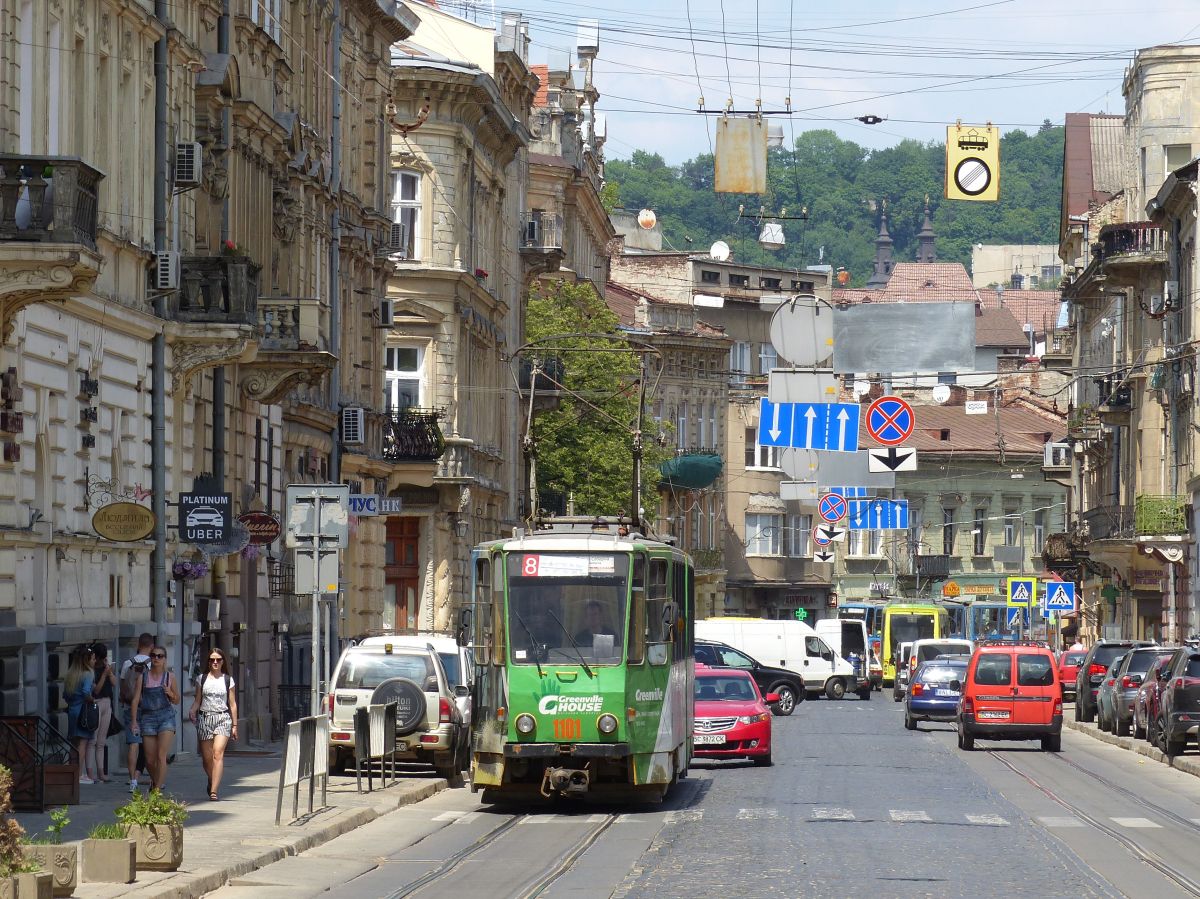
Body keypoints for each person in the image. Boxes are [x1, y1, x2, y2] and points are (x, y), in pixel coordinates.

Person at [188, 648, 238, 801]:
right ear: (208, 662)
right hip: (205, 718)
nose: (215, 662)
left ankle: (214, 791)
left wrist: (235, 725)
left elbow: (232, 704)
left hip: (223, 718)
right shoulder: (201, 678)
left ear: (223, 662)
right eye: (212, 660)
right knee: (207, 759)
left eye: (218, 660)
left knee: (218, 754)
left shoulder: (228, 680)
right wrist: (192, 710)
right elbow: (198, 700)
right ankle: (212, 779)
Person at [129, 644, 179, 792]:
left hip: (166, 717)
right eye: (153, 656)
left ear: (164, 660)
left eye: (159, 656)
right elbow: (135, 700)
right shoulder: (143, 677)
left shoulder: (170, 677)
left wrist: (170, 693)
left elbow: (177, 700)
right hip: (148, 718)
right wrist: (133, 722)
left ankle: (157, 791)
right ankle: (157, 781)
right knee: (149, 760)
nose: (156, 658)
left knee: (161, 755)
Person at [120, 632, 154, 793]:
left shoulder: (128, 663)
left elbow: (122, 688)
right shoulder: (154, 664)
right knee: (149, 745)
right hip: (148, 709)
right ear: (151, 646)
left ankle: (132, 780)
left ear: (138, 645)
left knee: (133, 743)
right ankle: (154, 779)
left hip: (129, 708)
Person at [64, 646, 98, 784]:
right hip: (83, 712)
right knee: (83, 743)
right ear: (87, 660)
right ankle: (79, 774)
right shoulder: (88, 673)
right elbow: (85, 692)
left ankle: (71, 773)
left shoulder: (71, 674)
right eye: (93, 658)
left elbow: (65, 695)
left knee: (73, 743)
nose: (95, 661)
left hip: (72, 710)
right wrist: (92, 699)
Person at [88, 644, 118, 783]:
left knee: (101, 741)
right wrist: (103, 675)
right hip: (96, 703)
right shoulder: (91, 670)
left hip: (107, 702)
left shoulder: (106, 668)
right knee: (92, 741)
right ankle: (90, 773)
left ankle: (101, 772)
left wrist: (109, 672)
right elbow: (96, 690)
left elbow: (114, 683)